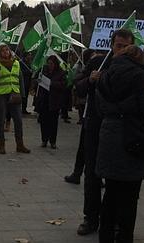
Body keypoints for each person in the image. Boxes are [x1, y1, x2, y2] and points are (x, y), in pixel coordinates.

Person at [74, 29, 135, 235]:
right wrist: (90, 79)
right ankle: (91, 218)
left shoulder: (136, 68)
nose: (122, 50)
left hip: (120, 129)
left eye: (127, 46)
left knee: (115, 177)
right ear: (112, 45)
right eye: (119, 45)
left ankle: (115, 219)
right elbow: (78, 88)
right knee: (92, 173)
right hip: (95, 126)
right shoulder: (97, 63)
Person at [95, 45, 144, 243]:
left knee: (110, 193)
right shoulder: (140, 76)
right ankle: (124, 237)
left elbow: (99, 106)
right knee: (130, 197)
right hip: (133, 136)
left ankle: (105, 237)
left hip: (108, 133)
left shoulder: (105, 75)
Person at [0, 44, 30, 154]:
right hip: (1, 95)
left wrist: (23, 94)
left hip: (14, 94)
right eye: (3, 50)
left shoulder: (16, 63)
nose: (5, 52)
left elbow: (20, 79)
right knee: (1, 121)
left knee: (18, 120)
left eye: (7, 50)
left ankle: (20, 145)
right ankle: (1, 145)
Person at [65, 49, 95, 185]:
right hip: (89, 113)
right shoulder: (87, 68)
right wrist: (89, 78)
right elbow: (78, 84)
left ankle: (95, 175)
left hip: (99, 115)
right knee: (84, 146)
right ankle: (77, 173)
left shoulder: (107, 66)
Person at [36, 55, 66, 149]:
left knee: (53, 122)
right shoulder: (43, 70)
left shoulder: (61, 72)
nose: (50, 65)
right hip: (44, 99)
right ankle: (44, 139)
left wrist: (51, 83)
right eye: (48, 63)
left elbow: (63, 85)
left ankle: (53, 141)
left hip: (54, 100)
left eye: (52, 64)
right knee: (44, 121)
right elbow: (36, 79)